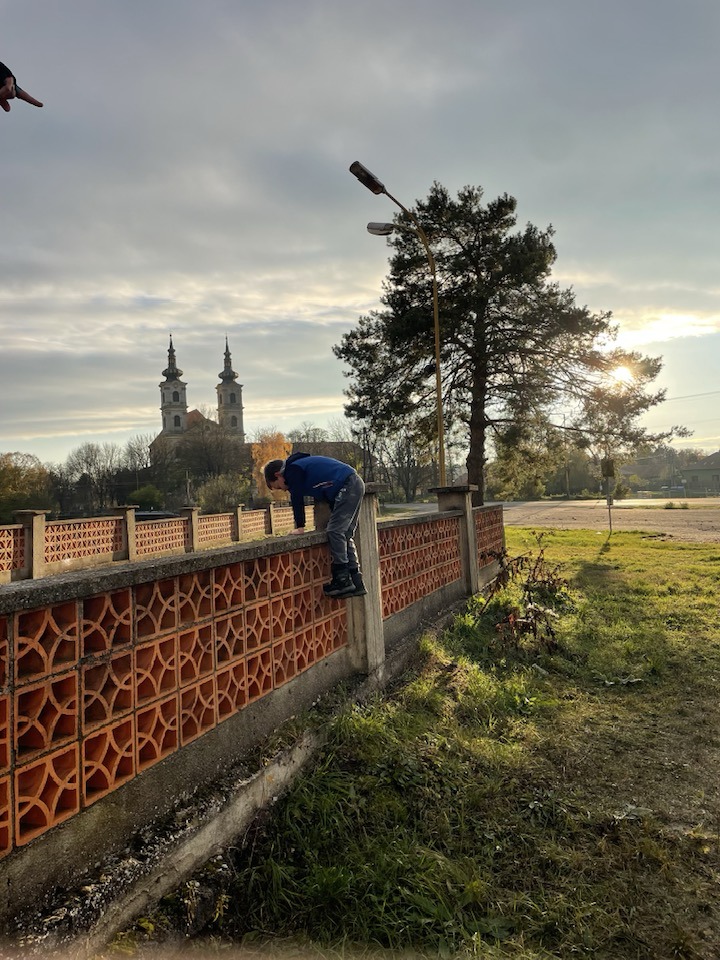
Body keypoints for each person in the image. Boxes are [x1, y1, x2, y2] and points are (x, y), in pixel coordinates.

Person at [264, 453, 366, 599]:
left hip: (349, 484)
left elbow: (297, 497)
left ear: (278, 475)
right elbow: (327, 491)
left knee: (335, 531)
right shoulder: (304, 469)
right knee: (344, 534)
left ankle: (343, 579)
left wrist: (300, 526)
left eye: (279, 487)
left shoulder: (292, 470)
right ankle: (356, 580)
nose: (285, 490)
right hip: (353, 484)